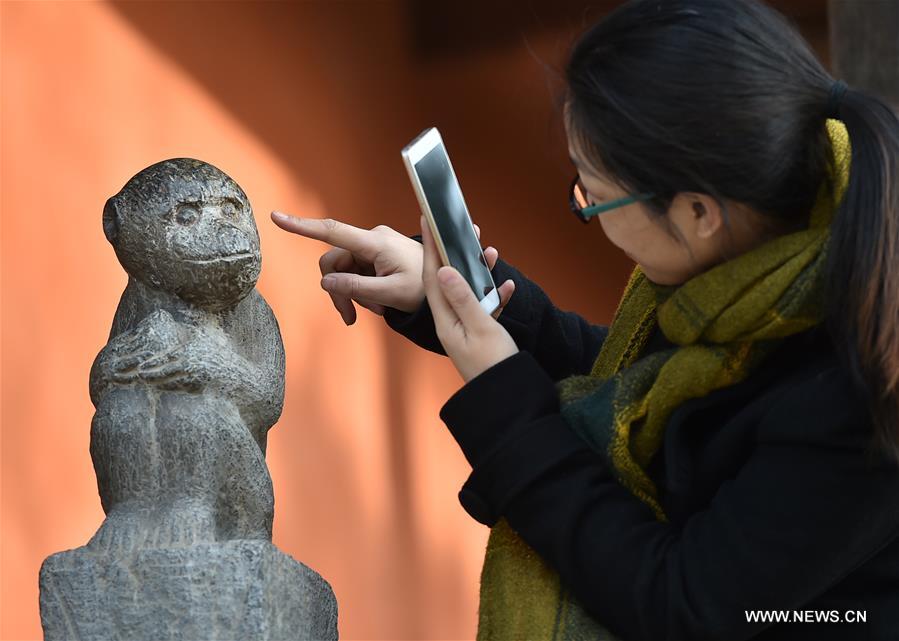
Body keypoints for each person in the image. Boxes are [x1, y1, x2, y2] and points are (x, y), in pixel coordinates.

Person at [271, 0, 899, 638]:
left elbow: (680, 606)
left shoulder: (863, 392)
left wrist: (505, 400)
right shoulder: (768, 249)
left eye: (592, 196)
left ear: (697, 213)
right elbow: (643, 394)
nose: (587, 210)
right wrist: (456, 296)